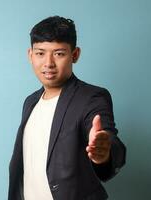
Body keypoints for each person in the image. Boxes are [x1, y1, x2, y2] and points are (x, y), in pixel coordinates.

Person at [8, 16, 126, 200]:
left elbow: (107, 138)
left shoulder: (92, 98)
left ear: (75, 54)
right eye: (40, 53)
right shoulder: (30, 102)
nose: (48, 63)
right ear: (30, 55)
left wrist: (104, 151)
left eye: (59, 53)